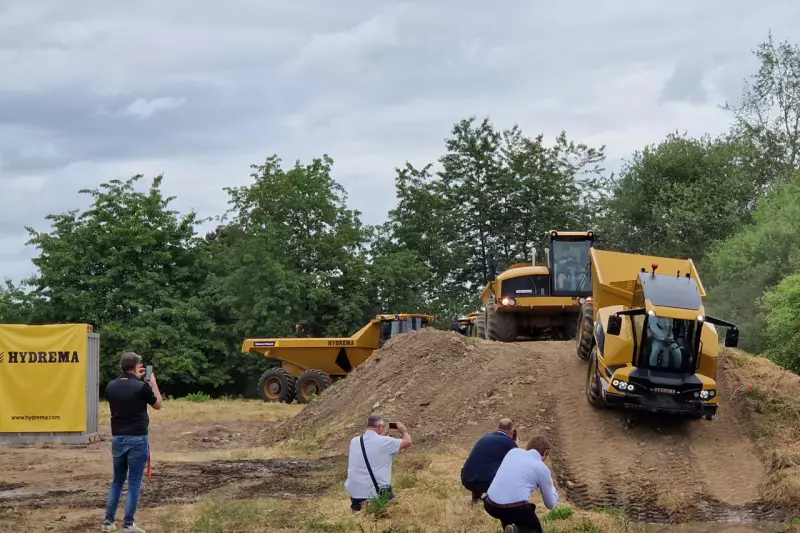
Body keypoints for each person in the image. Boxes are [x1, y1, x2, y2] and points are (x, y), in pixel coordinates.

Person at [101, 352, 163, 533]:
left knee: (117, 481)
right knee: (134, 482)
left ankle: (108, 522)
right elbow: (158, 404)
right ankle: (128, 525)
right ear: (137, 367)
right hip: (137, 439)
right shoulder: (142, 387)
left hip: (118, 438)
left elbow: (126, 388)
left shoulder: (111, 386)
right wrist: (153, 383)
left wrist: (138, 379)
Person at [483, 435, 559, 533]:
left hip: (490, 504)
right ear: (546, 453)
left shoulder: (513, 452)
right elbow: (550, 504)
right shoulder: (542, 468)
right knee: (534, 529)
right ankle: (517, 530)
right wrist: (552, 487)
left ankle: (512, 529)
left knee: (510, 515)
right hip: (513, 509)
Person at [344, 414, 412, 511]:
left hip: (355, 495)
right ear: (380, 427)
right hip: (376, 494)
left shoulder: (354, 441)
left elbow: (371, 446)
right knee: (398, 511)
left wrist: (381, 437)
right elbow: (408, 441)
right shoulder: (385, 441)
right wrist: (403, 430)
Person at [460, 418, 518, 503]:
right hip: (484, 483)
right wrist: (514, 442)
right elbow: (518, 462)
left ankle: (476, 498)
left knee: (484, 465)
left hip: (466, 479)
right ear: (512, 432)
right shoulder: (509, 443)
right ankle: (492, 501)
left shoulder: (485, 437)